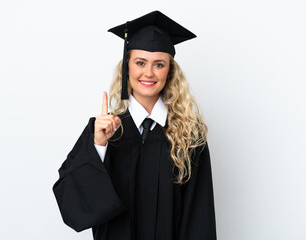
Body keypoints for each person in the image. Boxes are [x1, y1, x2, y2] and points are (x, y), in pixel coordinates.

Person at [53, 10, 216, 240]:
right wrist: (99, 147)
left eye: (159, 64)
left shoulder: (190, 135)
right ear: (126, 67)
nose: (149, 72)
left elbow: (199, 218)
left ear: (169, 72)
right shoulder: (103, 132)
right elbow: (71, 204)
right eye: (140, 62)